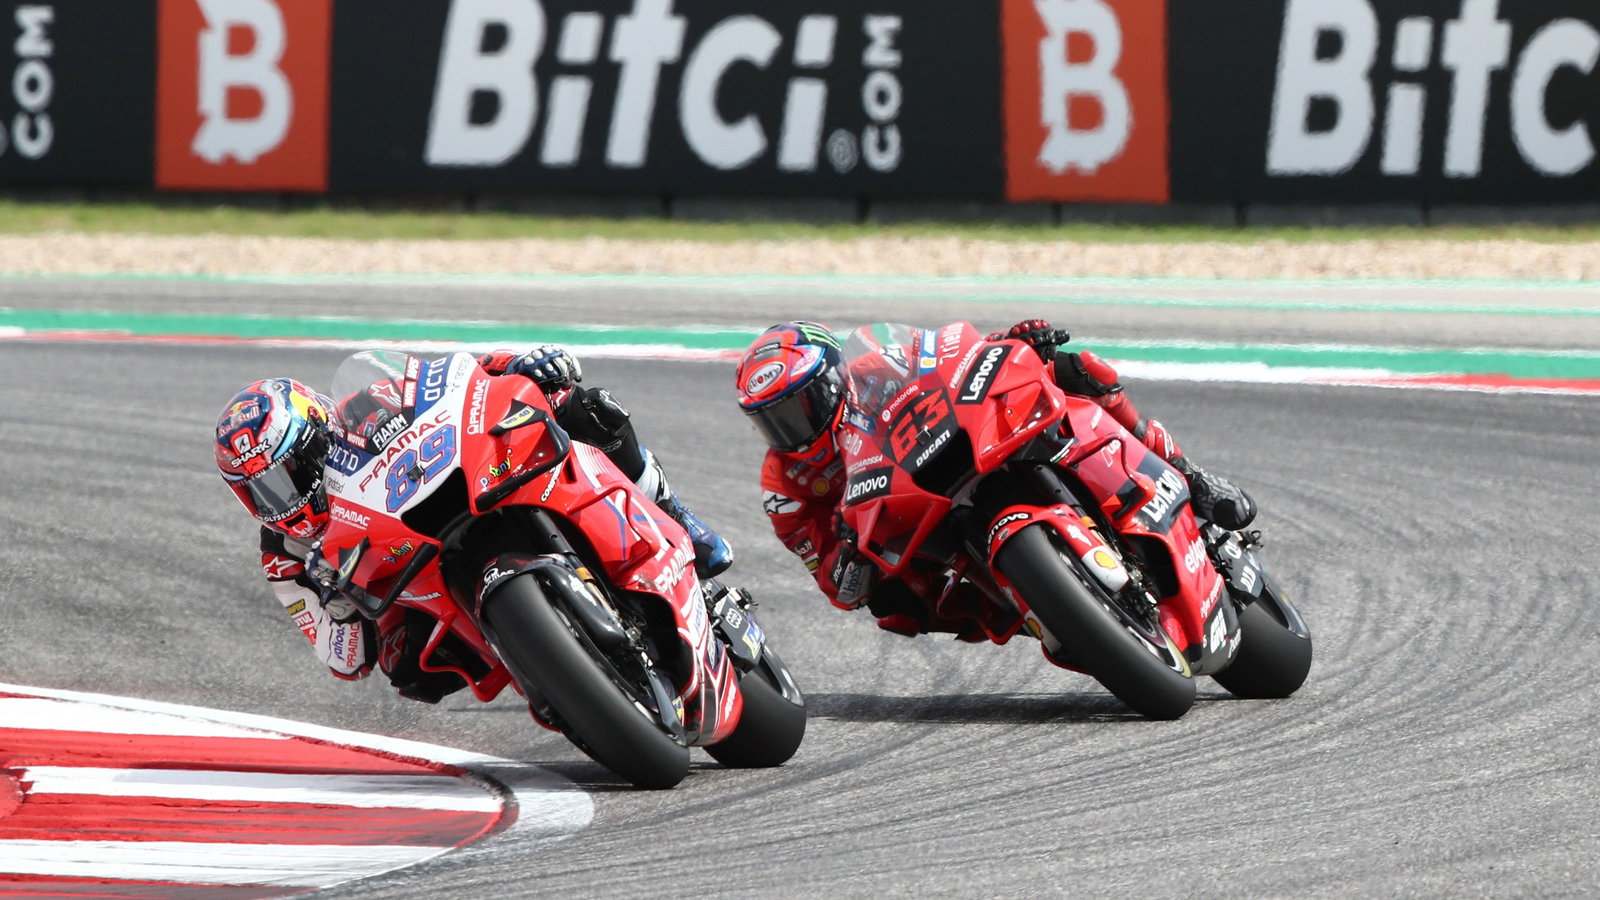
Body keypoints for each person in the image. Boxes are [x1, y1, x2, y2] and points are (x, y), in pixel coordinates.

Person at [214, 345, 732, 703]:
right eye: (262, 489)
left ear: (319, 432)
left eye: (289, 473)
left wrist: (523, 363)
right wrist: (341, 603)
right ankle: (545, 669)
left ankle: (674, 512)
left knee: (585, 407)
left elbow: (460, 377)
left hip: (462, 484)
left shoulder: (364, 403)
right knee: (407, 669)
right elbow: (343, 659)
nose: (281, 497)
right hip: (406, 577)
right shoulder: (284, 554)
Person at [732, 319, 1256, 640]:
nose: (791, 431)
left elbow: (952, 358)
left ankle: (1192, 478)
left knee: (1077, 369)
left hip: (961, 449)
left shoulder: (876, 364)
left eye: (799, 408)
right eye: (772, 421)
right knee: (896, 608)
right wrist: (848, 558)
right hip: (914, 526)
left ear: (833, 379)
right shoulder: (786, 489)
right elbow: (834, 586)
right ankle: (1045, 608)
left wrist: (1011, 341)